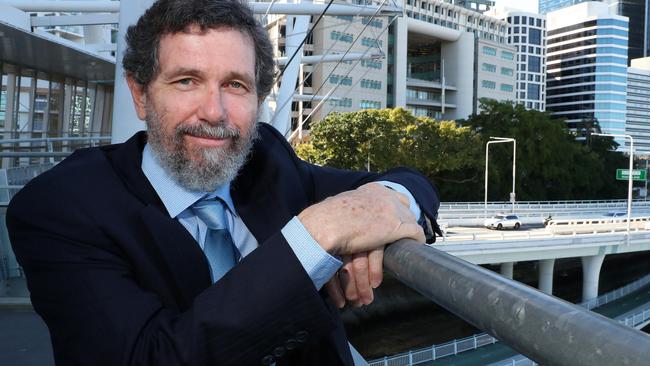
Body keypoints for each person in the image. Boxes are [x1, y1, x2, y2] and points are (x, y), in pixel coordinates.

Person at [6, 1, 441, 365]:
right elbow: (153, 357)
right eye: (186, 81)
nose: (214, 112)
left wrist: (383, 197)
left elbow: (409, 182)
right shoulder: (61, 209)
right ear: (140, 94)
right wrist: (318, 235)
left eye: (235, 85)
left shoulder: (265, 159)